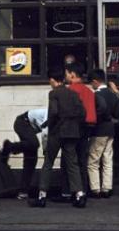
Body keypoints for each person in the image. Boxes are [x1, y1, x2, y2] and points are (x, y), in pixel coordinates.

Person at [32, 67, 87, 208]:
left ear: (52, 80)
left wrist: (49, 126)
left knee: (48, 162)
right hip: (72, 132)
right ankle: (79, 194)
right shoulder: (73, 93)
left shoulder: (53, 94)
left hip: (57, 132)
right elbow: (82, 112)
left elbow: (54, 113)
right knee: (72, 163)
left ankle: (42, 195)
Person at [87, 68, 119, 198]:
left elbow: (96, 113)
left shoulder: (96, 95)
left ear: (95, 82)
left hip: (99, 130)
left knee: (93, 161)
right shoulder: (112, 94)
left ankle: (95, 189)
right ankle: (107, 188)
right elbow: (117, 113)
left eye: (91, 83)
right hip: (110, 129)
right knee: (107, 159)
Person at [65, 62, 96, 194]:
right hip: (87, 127)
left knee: (70, 160)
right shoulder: (89, 91)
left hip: (73, 127)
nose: (65, 77)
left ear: (72, 75)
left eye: (66, 74)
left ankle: (70, 190)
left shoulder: (71, 91)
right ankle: (83, 188)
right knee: (82, 159)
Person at [2, 109, 45, 200]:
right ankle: (10, 146)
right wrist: (46, 151)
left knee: (31, 159)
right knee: (34, 144)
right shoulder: (50, 115)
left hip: (29, 127)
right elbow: (45, 135)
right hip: (22, 122)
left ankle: (23, 191)